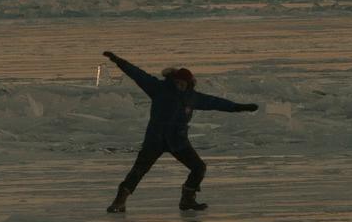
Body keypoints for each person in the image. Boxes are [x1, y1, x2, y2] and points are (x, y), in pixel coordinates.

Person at [102, 51, 258, 213]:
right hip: (155, 139)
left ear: (189, 83)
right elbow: (138, 74)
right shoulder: (158, 88)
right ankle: (119, 201)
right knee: (139, 170)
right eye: (177, 82)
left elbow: (215, 102)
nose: (179, 85)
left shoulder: (192, 97)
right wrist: (119, 61)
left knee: (199, 168)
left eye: (182, 83)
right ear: (172, 80)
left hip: (178, 142)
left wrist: (238, 107)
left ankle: (187, 199)